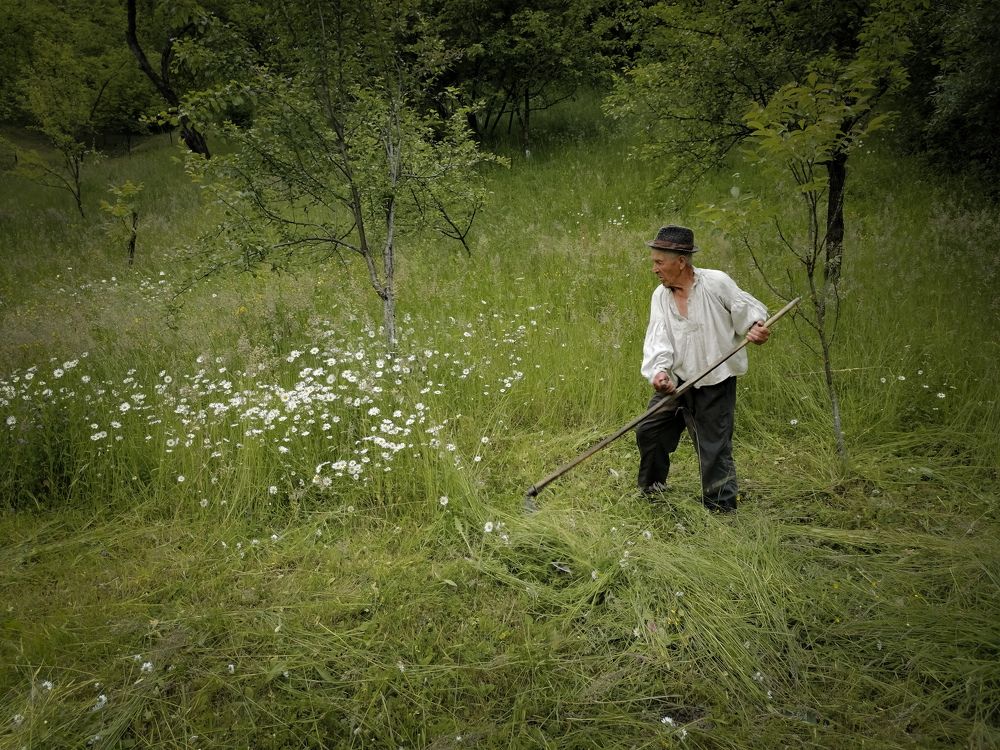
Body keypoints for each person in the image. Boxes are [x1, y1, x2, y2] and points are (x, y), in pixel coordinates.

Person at [635, 224, 770, 512]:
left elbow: (748, 314)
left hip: (715, 383)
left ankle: (721, 511)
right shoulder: (660, 296)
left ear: (680, 261)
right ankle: (653, 490)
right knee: (649, 429)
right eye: (654, 263)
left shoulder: (716, 283)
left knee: (713, 448)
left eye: (659, 262)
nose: (654, 269)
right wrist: (660, 373)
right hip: (679, 381)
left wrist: (757, 329)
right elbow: (658, 339)